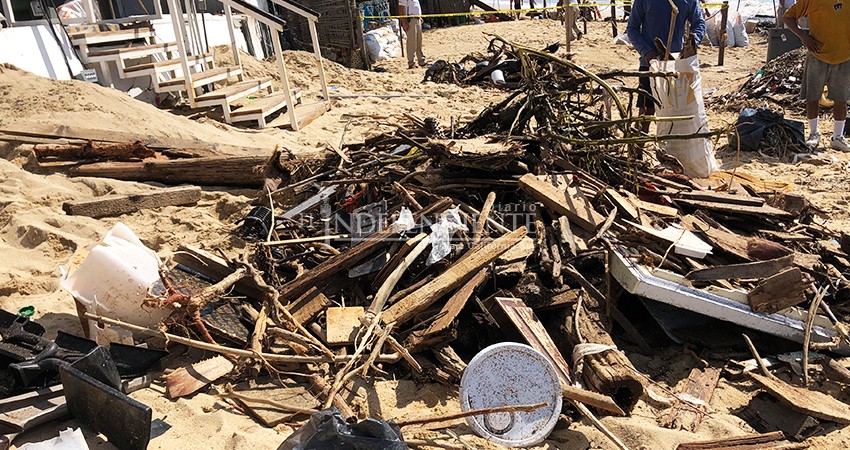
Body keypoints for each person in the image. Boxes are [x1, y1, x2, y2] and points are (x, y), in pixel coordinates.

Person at [626, 0, 706, 133]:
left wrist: (692, 43)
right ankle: (637, 152)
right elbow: (632, 29)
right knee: (646, 111)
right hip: (650, 66)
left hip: (677, 65)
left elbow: (699, 23)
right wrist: (647, 52)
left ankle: (677, 151)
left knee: (680, 111)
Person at [784, 0, 850, 151]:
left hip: (845, 55)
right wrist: (803, 36)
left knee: (841, 99)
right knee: (812, 96)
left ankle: (838, 137)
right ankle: (814, 134)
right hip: (817, 55)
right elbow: (788, 17)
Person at [399, 0, 426, 69]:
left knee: (419, 41)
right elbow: (401, 8)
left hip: (417, 19)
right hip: (410, 20)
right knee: (412, 42)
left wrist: (419, 17)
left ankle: (421, 60)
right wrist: (404, 22)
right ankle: (411, 62)